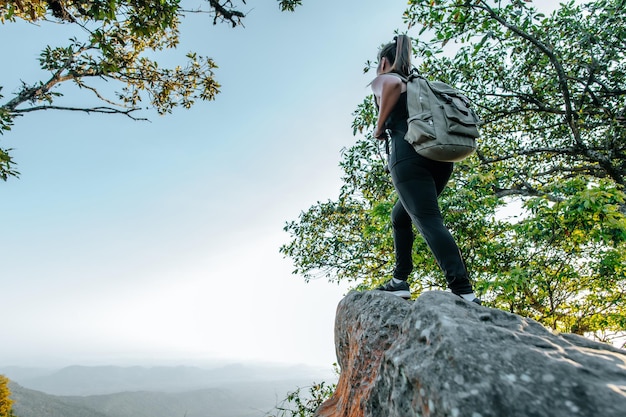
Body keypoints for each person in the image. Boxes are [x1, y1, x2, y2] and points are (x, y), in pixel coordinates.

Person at [370, 35, 481, 304]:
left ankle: (463, 291)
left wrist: (379, 125)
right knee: (400, 216)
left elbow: (392, 84)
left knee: (429, 220)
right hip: (440, 158)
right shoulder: (421, 86)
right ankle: (399, 281)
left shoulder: (386, 78)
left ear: (384, 61)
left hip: (409, 156)